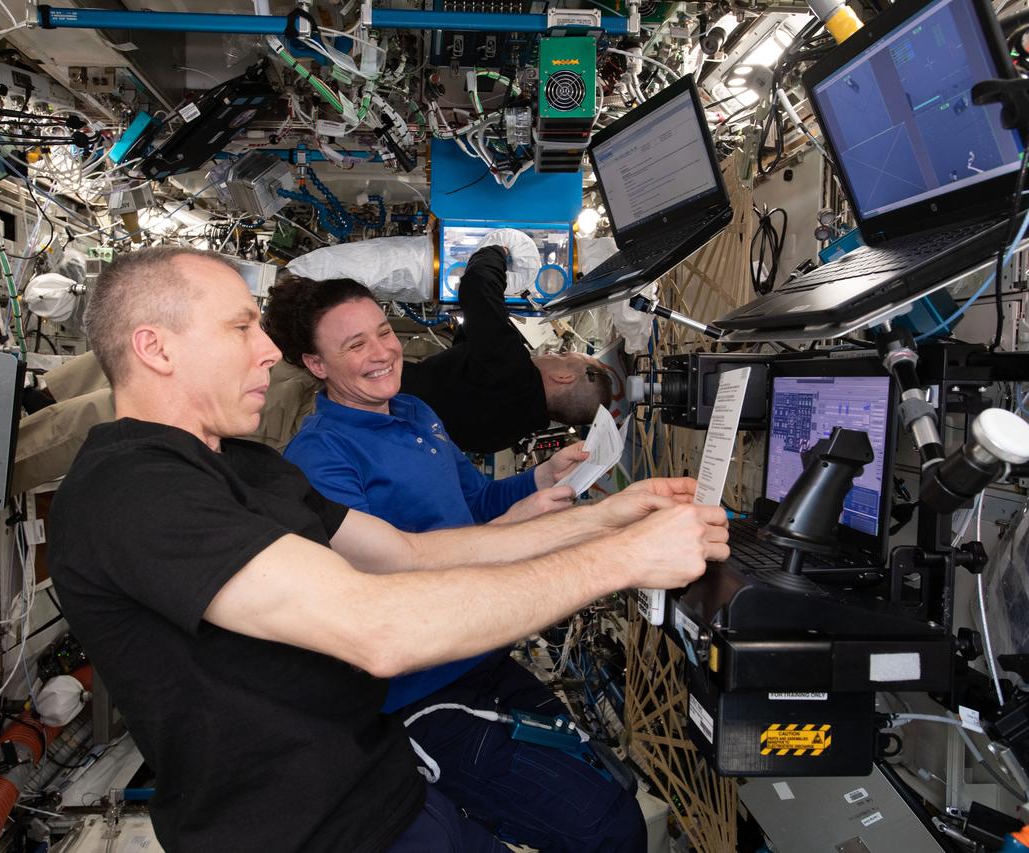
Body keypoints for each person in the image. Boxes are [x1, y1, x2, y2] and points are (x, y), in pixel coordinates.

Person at [47, 246, 729, 852]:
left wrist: (607, 517)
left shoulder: (249, 469)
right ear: (155, 348)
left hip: (382, 787)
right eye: (239, 327)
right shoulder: (135, 489)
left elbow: (408, 554)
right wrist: (622, 560)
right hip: (307, 832)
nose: (267, 350)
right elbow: (377, 626)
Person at [265, 275, 648, 850]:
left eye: (384, 331)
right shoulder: (321, 458)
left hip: (482, 655)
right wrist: (514, 529)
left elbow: (471, 501)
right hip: (417, 692)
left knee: (611, 789)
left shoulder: (417, 413)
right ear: (316, 365)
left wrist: (542, 478)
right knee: (603, 828)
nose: (383, 351)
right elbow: (379, 585)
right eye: (354, 345)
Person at [400, 239, 613, 453]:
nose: (552, 352)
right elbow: (468, 366)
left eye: (562, 356)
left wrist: (499, 249)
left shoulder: (513, 371)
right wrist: (488, 319)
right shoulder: (506, 435)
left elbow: (478, 283)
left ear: (564, 378)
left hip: (378, 390)